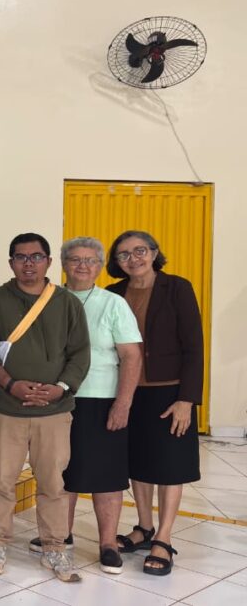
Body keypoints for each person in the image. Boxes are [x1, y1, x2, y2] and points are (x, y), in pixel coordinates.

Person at [0, 232, 90, 583]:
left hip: (53, 412)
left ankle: (55, 548)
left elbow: (80, 353)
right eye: (21, 257)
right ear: (10, 262)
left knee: (53, 483)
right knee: (1, 481)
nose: (29, 263)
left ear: (48, 262)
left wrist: (59, 388)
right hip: (7, 408)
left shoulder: (67, 302)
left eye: (36, 257)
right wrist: (10, 383)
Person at [24, 237, 141, 574]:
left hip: (102, 399)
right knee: (60, 474)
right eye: (75, 259)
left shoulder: (113, 303)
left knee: (107, 477)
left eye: (90, 260)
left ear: (100, 265)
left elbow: (131, 356)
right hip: (57, 400)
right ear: (62, 264)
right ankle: (62, 534)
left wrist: (123, 403)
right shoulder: (48, 300)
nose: (82, 266)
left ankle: (107, 544)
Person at [107, 230, 203, 577]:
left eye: (140, 251)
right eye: (124, 255)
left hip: (169, 392)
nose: (133, 259)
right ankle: (144, 527)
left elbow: (194, 347)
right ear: (116, 263)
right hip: (128, 391)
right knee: (138, 462)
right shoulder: (113, 293)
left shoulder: (178, 288)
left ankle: (164, 536)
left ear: (154, 252)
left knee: (169, 464)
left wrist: (187, 400)